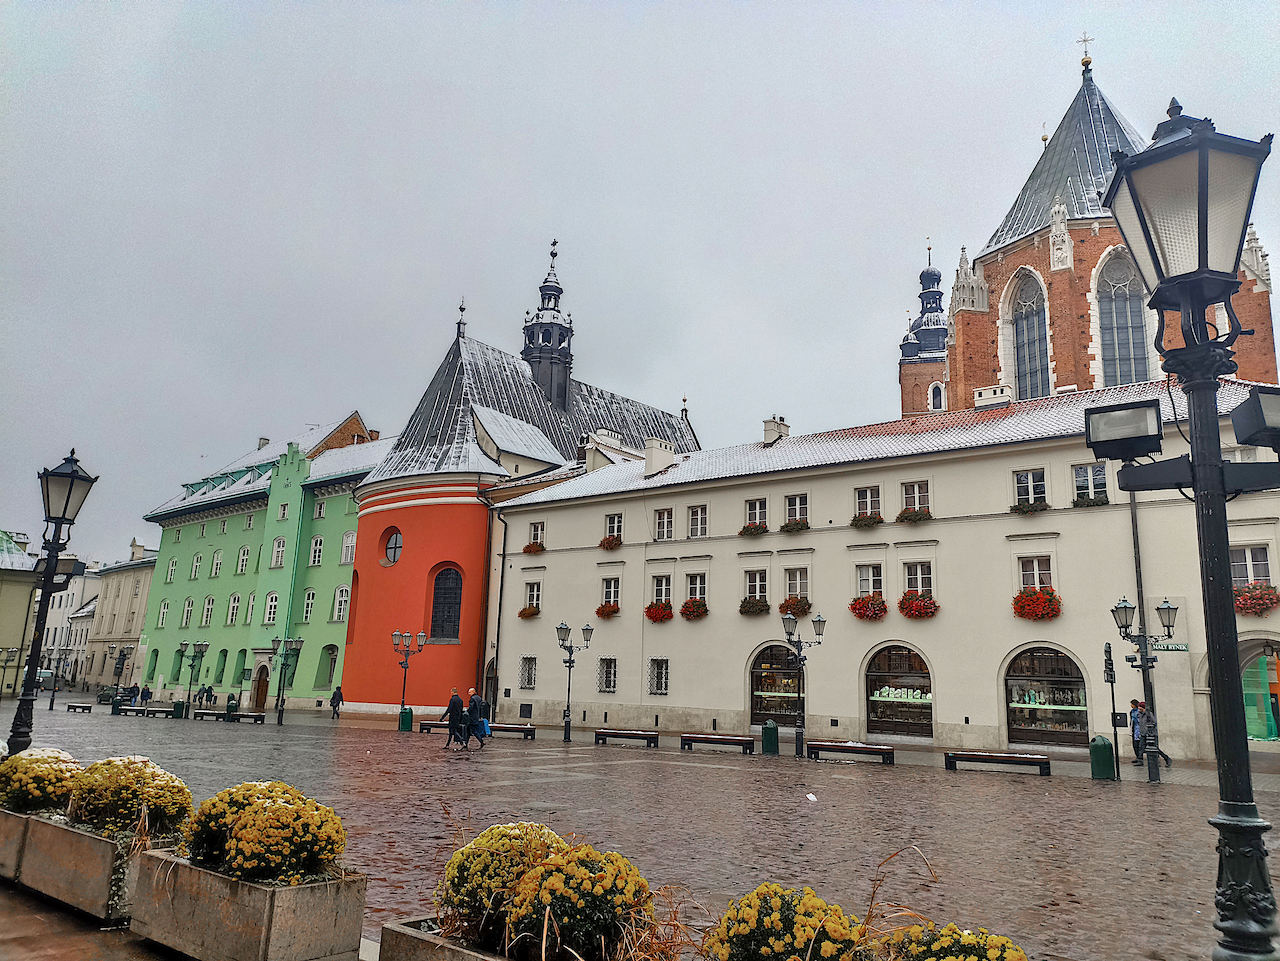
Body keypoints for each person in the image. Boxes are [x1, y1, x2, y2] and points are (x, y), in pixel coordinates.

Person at [1142, 702, 1172, 768]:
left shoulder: (1148, 714)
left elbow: (1154, 722)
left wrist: (1149, 729)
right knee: (1144, 748)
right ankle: (1155, 761)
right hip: (1144, 734)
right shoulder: (1141, 714)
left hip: (1151, 734)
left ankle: (1166, 758)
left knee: (1154, 748)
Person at [1129, 699, 1143, 764]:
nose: (1131, 705)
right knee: (1135, 745)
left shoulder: (1139, 711)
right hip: (1134, 730)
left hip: (1140, 729)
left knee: (1140, 745)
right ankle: (1138, 757)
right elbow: (1131, 721)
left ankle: (1140, 759)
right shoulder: (1131, 711)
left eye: (1132, 704)